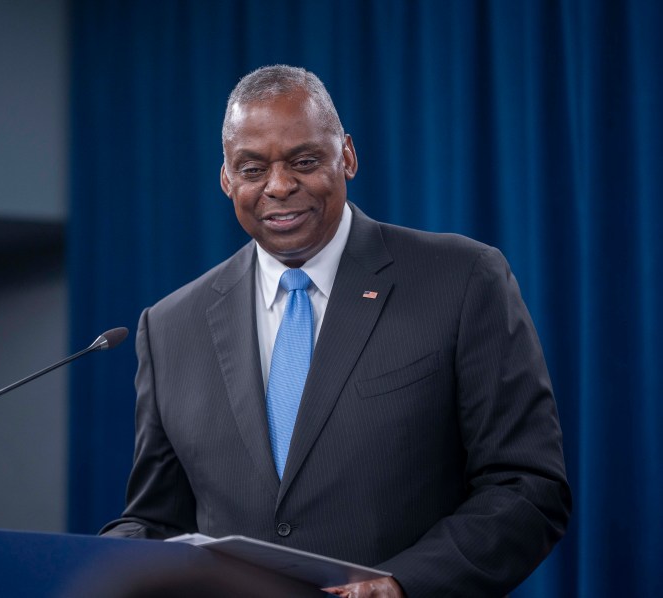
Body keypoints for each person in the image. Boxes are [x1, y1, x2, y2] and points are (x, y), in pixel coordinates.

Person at [101, 65, 571, 597]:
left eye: (303, 161)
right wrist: (93, 561)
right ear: (226, 178)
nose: (278, 186)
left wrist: (402, 583)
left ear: (346, 154)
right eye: (252, 168)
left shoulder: (461, 280)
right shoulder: (169, 328)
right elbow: (158, 519)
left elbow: (526, 488)